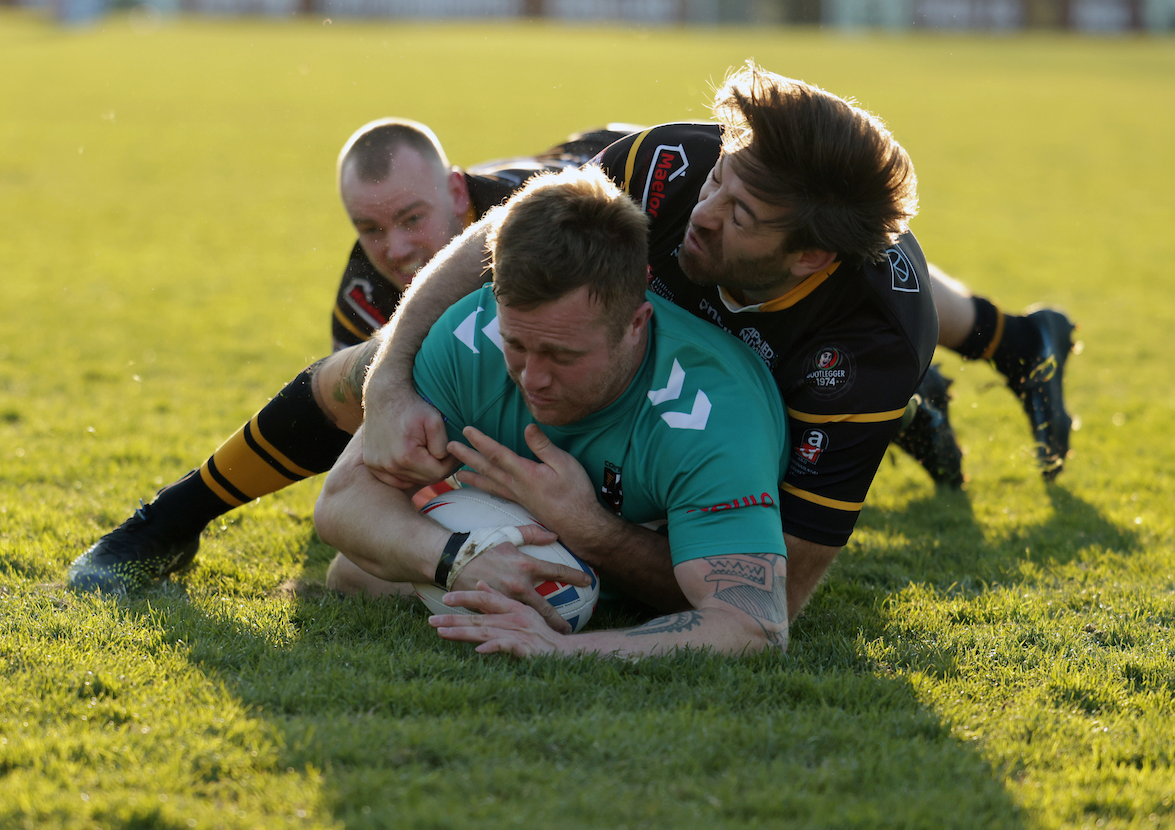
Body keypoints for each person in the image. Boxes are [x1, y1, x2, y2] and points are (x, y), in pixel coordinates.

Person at [356, 61, 1071, 622]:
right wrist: (385, 379)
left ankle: (925, 400)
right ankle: (1010, 347)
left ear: (808, 257)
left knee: (745, 459)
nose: (705, 211)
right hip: (677, 329)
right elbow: (501, 229)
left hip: (796, 380)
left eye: (742, 213)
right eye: (719, 180)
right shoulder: (672, 166)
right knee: (356, 371)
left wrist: (588, 531)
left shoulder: (869, 345)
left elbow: (769, 602)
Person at [67, 118, 640, 594]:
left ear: (456, 193)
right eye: (370, 228)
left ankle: (174, 514)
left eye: (413, 218)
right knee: (371, 384)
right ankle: (169, 521)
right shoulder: (365, 292)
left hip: (604, 149)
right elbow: (368, 443)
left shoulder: (532, 216)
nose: (397, 248)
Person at [314, 166, 792, 656]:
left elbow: (757, 625)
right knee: (354, 573)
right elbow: (342, 501)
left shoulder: (713, 415)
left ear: (636, 324)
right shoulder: (471, 336)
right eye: (517, 344)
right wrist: (456, 558)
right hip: (504, 517)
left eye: (563, 355)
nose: (533, 378)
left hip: (662, 553)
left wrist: (587, 537)